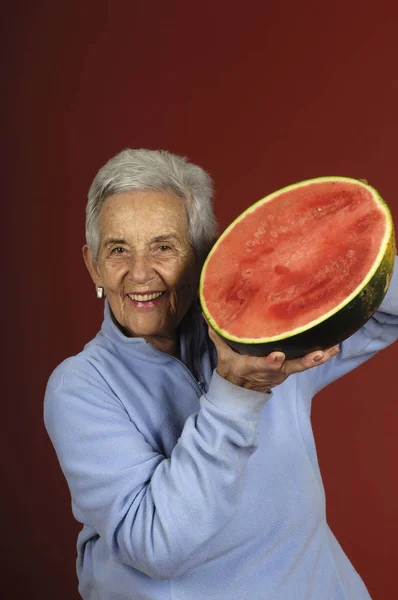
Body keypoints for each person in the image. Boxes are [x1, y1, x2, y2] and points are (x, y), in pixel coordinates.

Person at [44, 149, 398, 600]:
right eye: (117, 250)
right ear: (93, 265)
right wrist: (237, 393)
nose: (139, 273)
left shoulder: (273, 337)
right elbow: (157, 544)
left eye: (163, 246)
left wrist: (312, 256)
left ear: (204, 254)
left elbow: (387, 311)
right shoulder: (80, 387)